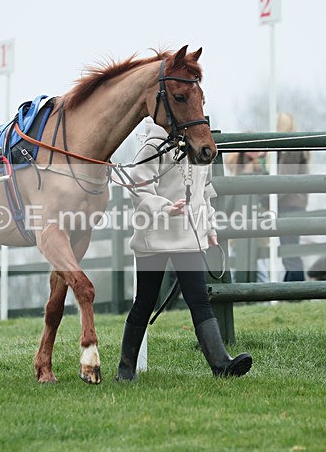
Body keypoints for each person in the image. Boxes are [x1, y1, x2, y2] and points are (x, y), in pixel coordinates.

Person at [115, 119, 252, 381]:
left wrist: (210, 228)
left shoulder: (200, 146)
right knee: (144, 301)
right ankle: (125, 369)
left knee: (199, 300)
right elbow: (139, 187)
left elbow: (204, 193)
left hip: (189, 237)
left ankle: (221, 365)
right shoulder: (153, 146)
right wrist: (164, 207)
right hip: (153, 237)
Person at [272, 112, 310, 282]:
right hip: (292, 204)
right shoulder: (293, 149)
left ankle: (295, 288)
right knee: (290, 248)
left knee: (290, 250)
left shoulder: (290, 149)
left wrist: (266, 199)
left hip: (289, 205)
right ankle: (293, 286)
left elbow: (284, 181)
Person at [223, 149, 270, 283]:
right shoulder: (237, 173)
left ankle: (264, 295)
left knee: (259, 264)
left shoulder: (259, 170)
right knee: (236, 262)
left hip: (255, 222)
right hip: (240, 223)